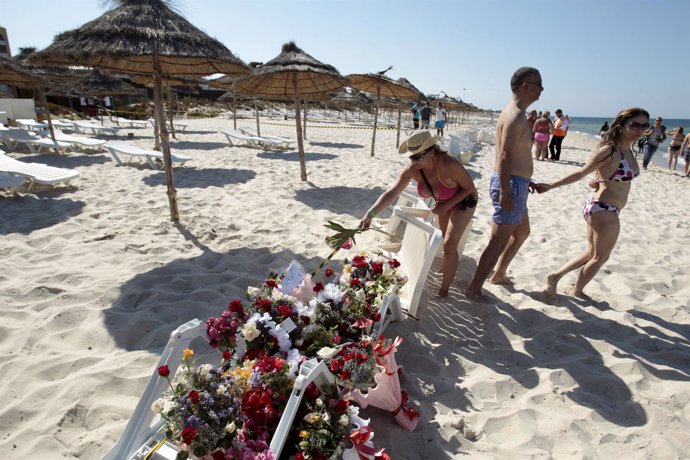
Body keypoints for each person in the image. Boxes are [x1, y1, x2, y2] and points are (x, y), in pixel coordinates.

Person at [537, 107, 649, 299]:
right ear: (621, 126)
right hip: (604, 209)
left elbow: (603, 173)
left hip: (605, 208)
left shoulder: (628, 149)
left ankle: (555, 277)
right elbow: (581, 172)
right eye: (634, 125)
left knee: (591, 253)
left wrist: (597, 178)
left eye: (644, 125)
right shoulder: (609, 150)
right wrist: (550, 185)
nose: (639, 130)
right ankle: (577, 291)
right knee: (600, 257)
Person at [359, 130, 477, 297]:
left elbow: (470, 187)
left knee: (450, 244)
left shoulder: (449, 164)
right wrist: (370, 214)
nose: (413, 161)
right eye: (411, 157)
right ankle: (449, 263)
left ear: (432, 151)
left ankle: (444, 290)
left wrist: (445, 206)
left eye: (417, 157)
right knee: (446, 242)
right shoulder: (413, 169)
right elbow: (391, 193)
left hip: (464, 199)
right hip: (443, 201)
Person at [465, 67, 542, 301]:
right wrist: (507, 191)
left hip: (517, 183)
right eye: (539, 84)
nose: (541, 89)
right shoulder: (515, 115)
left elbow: (513, 154)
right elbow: (505, 156)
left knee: (522, 232)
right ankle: (474, 288)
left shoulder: (517, 113)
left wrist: (523, 180)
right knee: (498, 240)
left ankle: (499, 273)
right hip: (511, 185)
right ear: (524, 86)